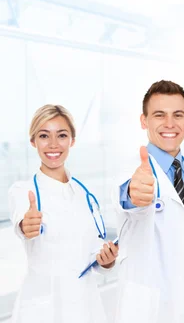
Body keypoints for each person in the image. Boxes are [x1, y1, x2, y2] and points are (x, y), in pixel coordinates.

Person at [112, 81, 184, 323]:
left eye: (177, 115)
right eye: (159, 115)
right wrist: (136, 194)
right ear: (144, 121)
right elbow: (128, 197)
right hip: (153, 310)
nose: (169, 124)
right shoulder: (133, 168)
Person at [8, 104, 118, 323]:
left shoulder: (84, 194)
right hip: (42, 308)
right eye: (43, 135)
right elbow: (23, 223)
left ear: (72, 141)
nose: (53, 144)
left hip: (85, 305)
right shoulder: (23, 191)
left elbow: (91, 250)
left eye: (61, 135)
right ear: (33, 142)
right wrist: (26, 226)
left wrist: (106, 261)